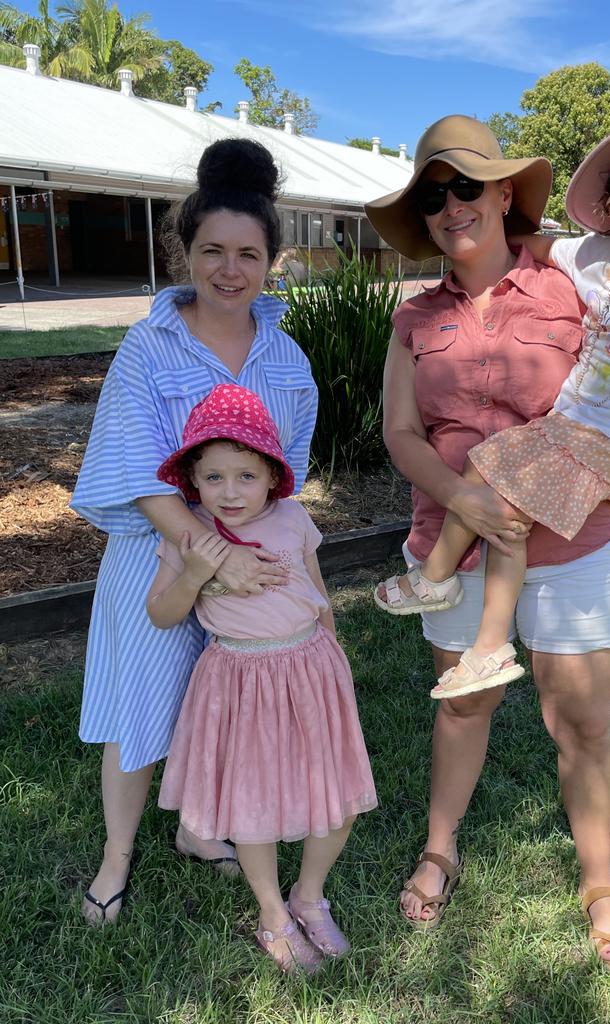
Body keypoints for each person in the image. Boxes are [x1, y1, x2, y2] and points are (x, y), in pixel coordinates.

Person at [365, 113, 610, 963]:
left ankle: (598, 879)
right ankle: (439, 848)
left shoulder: (571, 286)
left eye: (467, 186)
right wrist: (465, 499)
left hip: (573, 543)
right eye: (436, 193)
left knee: (583, 723)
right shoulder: (414, 320)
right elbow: (400, 431)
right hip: (451, 546)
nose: (454, 206)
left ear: (502, 194)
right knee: (465, 705)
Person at [374, 111, 610, 704]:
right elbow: (541, 243)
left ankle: (471, 624)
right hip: (570, 422)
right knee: (489, 466)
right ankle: (448, 591)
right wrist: (486, 238)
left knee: (504, 491)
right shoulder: (595, 260)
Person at [71, 137, 318, 925]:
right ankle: (116, 858)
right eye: (211, 249)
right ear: (186, 250)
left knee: (221, 706)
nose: (229, 270)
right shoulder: (152, 344)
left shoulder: (288, 363)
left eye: (248, 253)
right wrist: (208, 556)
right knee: (141, 709)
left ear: (271, 259)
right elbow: (134, 464)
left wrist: (252, 564)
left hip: (252, 573)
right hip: (158, 561)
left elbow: (288, 477)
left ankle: (199, 831)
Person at [148, 383, 377, 972]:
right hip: (240, 679)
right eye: (214, 476)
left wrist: (333, 647)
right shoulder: (191, 535)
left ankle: (309, 895)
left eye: (245, 476)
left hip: (310, 666)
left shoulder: (294, 518)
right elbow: (161, 613)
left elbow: (316, 590)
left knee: (336, 792)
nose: (229, 491)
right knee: (253, 799)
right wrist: (197, 571)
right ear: (192, 480)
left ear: (272, 476)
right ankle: (272, 913)